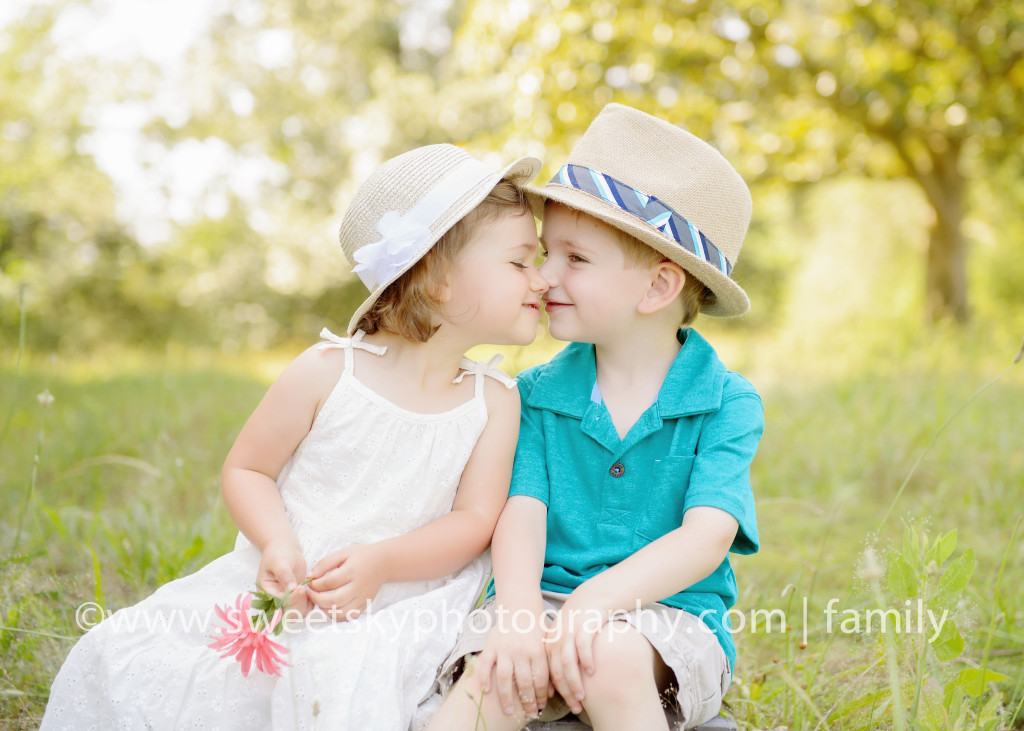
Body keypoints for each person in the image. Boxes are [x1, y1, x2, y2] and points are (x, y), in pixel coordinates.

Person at [41, 143, 549, 730]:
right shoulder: (329, 370)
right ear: (435, 275)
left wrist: (385, 562)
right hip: (294, 585)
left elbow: (474, 521)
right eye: (519, 262)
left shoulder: (493, 399)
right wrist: (278, 544)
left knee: (340, 680)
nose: (541, 279)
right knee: (141, 666)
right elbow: (248, 469)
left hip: (402, 602)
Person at [426, 104, 764, 731]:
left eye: (575, 259)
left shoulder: (726, 402)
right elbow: (521, 511)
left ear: (658, 288)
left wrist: (597, 603)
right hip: (538, 599)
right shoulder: (537, 392)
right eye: (546, 252)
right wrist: (522, 613)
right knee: (496, 677)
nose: (545, 274)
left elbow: (706, 536)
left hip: (667, 616)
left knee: (608, 658)